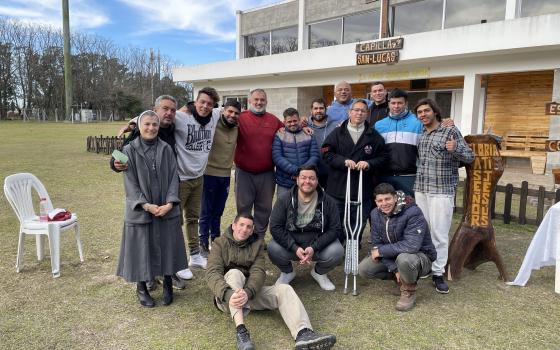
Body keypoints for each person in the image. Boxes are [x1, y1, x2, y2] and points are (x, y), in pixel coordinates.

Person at [206, 213, 337, 350]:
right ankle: (242, 333)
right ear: (233, 225)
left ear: (252, 231)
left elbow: (258, 272)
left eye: (248, 227)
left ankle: (304, 334)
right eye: (241, 225)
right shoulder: (219, 243)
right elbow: (212, 273)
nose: (244, 229)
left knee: (284, 288)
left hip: (249, 294)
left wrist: (248, 292)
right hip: (226, 299)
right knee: (235, 273)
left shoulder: (257, 244)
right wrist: (228, 294)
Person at [112, 95, 186, 290]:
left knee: (167, 240)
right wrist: (114, 162)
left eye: (172, 109)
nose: (152, 127)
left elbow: (173, 175)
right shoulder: (134, 138)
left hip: (163, 198)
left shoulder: (170, 137)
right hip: (143, 202)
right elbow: (119, 156)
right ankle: (144, 282)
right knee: (143, 243)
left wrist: (170, 203)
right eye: (165, 108)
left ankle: (169, 276)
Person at [413, 98, 475, 294]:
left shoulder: (450, 131)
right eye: (420, 112)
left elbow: (470, 157)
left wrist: (455, 148)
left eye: (426, 111)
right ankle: (426, 266)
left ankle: (438, 273)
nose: (423, 114)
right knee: (424, 231)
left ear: (435, 112)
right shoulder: (421, 134)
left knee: (439, 233)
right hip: (421, 188)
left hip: (441, 190)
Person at [358, 183, 436, 312]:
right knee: (364, 269)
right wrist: (394, 269)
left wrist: (381, 251)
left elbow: (411, 245)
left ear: (395, 197)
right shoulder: (375, 214)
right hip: (394, 255)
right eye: (380, 200)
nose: (384, 203)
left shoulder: (413, 212)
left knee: (404, 259)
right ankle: (400, 280)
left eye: (387, 199)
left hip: (420, 257)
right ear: (376, 202)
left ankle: (408, 290)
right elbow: (377, 244)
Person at [268, 165, 343, 291]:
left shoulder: (328, 201)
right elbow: (275, 227)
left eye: (312, 178)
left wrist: (314, 247)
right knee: (272, 248)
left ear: (317, 181)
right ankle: (287, 272)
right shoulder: (284, 200)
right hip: (292, 243)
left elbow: (335, 229)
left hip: (317, 244)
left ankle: (319, 273)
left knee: (337, 251)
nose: (307, 181)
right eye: (303, 177)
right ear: (297, 180)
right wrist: (294, 247)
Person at [322, 99, 387, 242]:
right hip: (338, 187)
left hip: (363, 188)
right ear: (349, 112)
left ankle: (353, 244)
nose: (359, 113)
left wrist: (369, 163)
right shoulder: (337, 133)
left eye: (363, 111)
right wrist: (342, 161)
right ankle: (337, 247)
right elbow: (326, 152)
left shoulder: (374, 136)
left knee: (358, 220)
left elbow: (383, 157)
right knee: (336, 221)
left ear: (367, 114)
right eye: (356, 110)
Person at [174, 87, 222, 280]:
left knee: (193, 218)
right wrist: (132, 123)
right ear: (195, 101)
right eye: (202, 102)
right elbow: (155, 115)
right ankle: (178, 262)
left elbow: (232, 111)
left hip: (198, 178)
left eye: (209, 104)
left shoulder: (215, 116)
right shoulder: (181, 117)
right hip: (180, 179)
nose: (205, 106)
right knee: (176, 221)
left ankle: (194, 255)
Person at [234, 89, 284, 239]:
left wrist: (304, 125)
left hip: (267, 173)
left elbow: (289, 129)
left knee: (264, 208)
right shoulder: (240, 118)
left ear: (266, 102)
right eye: (256, 99)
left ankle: (258, 239)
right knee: (243, 208)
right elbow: (219, 116)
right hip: (244, 172)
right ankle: (242, 238)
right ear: (249, 101)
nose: (259, 102)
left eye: (262, 100)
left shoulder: (273, 120)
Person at [198, 100, 241, 256]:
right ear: (223, 110)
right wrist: (135, 122)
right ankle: (202, 243)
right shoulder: (212, 123)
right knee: (206, 211)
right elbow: (191, 112)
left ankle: (215, 242)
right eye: (230, 111)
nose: (232, 115)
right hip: (209, 174)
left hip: (225, 176)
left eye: (236, 113)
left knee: (218, 212)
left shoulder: (237, 127)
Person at [374, 88, 422, 197]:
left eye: (400, 103)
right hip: (384, 176)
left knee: (409, 209)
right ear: (388, 104)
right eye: (393, 103)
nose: (396, 106)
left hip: (409, 177)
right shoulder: (379, 125)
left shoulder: (417, 123)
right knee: (386, 209)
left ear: (406, 104)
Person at [272, 108, 320, 198]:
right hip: (285, 182)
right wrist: (297, 171)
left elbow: (314, 155)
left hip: (306, 181)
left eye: (295, 121)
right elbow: (277, 157)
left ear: (299, 120)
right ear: (284, 122)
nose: (293, 123)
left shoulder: (308, 134)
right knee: (283, 209)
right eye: (289, 121)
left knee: (305, 209)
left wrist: (303, 173)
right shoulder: (279, 135)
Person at [307, 98, 337, 189]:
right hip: (311, 172)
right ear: (311, 110)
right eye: (315, 108)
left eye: (321, 108)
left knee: (330, 200)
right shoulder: (305, 126)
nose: (318, 111)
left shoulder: (336, 126)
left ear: (326, 110)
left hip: (331, 172)